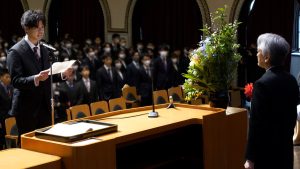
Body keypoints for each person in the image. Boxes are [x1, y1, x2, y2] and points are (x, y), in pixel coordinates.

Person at [6, 10, 72, 140]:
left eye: (42, 27)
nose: (41, 31)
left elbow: (48, 74)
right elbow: (15, 81)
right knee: (29, 146)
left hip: (45, 106)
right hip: (26, 108)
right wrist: (35, 78)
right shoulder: (15, 51)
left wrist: (63, 75)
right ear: (26, 28)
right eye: (37, 27)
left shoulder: (43, 48)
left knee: (46, 141)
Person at [244, 33, 299, 169]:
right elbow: (292, 117)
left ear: (267, 57)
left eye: (258, 51)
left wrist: (250, 158)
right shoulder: (291, 80)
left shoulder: (262, 84)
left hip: (266, 153)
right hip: (285, 150)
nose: (256, 54)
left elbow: (256, 124)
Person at [0, 68, 13, 149]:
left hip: (9, 115)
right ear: (1, 77)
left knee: (9, 134)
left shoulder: (10, 87)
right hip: (1, 117)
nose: (9, 79)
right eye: (6, 77)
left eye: (9, 77)